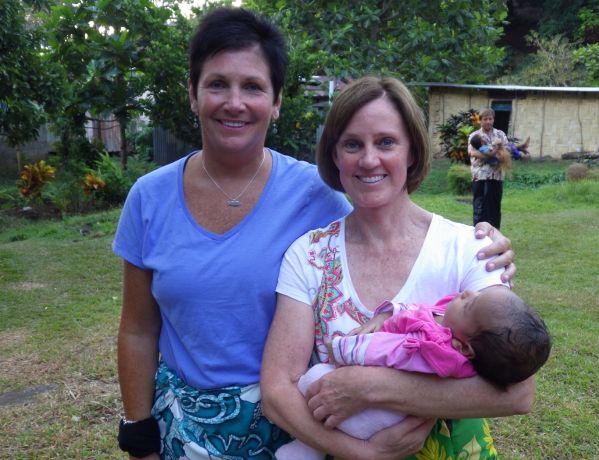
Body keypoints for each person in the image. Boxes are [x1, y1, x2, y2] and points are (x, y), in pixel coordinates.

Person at [113, 7, 515, 459]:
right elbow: (137, 330)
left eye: (253, 86)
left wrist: (480, 243)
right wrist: (138, 431)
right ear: (192, 92)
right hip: (190, 426)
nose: (235, 102)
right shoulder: (149, 199)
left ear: (277, 100)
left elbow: (386, 213)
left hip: (296, 426)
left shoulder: (315, 192)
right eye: (217, 84)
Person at [261, 77, 534, 460]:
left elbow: (519, 392)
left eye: (386, 142)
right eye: (352, 144)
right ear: (335, 155)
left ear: (411, 151)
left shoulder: (469, 249)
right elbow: (277, 391)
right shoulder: (308, 255)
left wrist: (370, 387)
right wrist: (363, 453)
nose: (369, 159)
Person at [275, 285, 551, 460]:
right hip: (381, 431)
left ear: (464, 348)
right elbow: (416, 312)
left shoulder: (438, 351)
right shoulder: (455, 324)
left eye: (469, 304)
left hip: (390, 423)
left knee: (314, 379)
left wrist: (345, 349)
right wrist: (385, 315)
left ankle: (307, 451)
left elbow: (386, 349)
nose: (467, 292)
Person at [468, 108, 509, 229]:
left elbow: (506, 152)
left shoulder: (500, 134)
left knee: (494, 207)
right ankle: (479, 236)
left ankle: (494, 236)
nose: (488, 121)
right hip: (479, 176)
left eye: (490, 119)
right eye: (485, 119)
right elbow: (472, 153)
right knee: (479, 207)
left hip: (496, 177)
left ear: (493, 119)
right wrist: (494, 156)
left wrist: (495, 156)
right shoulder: (474, 136)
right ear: (480, 121)